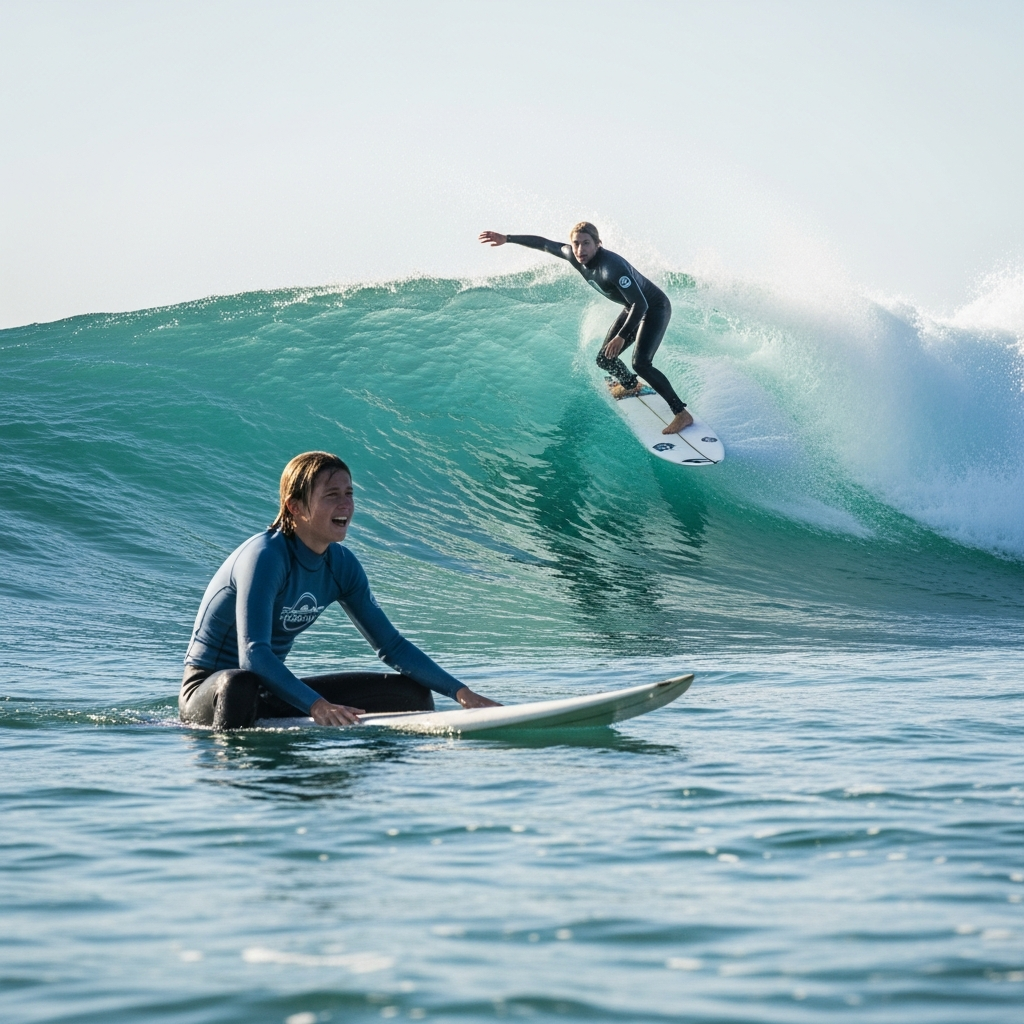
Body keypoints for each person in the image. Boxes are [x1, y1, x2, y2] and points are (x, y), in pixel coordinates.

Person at [180, 450, 499, 730]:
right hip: (210, 691)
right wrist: (317, 706)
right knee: (240, 683)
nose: (346, 504)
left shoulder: (341, 565)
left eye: (349, 493)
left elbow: (392, 646)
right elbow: (253, 655)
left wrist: (461, 693)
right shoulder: (265, 557)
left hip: (267, 691)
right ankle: (235, 772)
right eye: (332, 495)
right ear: (295, 507)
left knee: (410, 695)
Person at [479, 222, 693, 434]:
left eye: (586, 243)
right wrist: (507, 238)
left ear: (598, 244)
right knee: (604, 359)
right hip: (632, 307)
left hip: (654, 308)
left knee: (641, 363)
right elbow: (544, 244)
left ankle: (681, 413)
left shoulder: (612, 268)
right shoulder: (573, 255)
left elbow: (642, 304)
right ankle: (631, 385)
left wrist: (621, 336)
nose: (580, 249)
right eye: (576, 244)